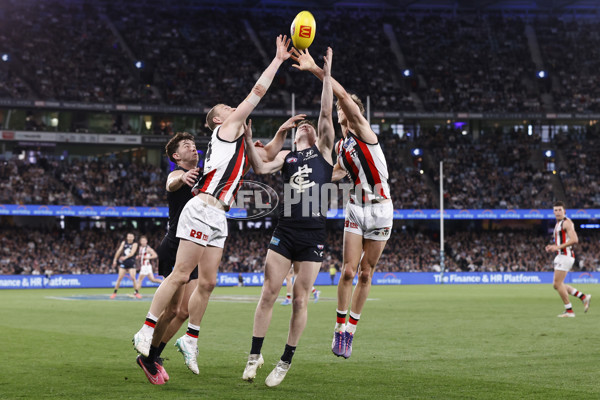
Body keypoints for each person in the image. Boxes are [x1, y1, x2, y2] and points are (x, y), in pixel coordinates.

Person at [133, 35, 294, 385]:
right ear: (220, 121)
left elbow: (265, 163)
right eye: (226, 109)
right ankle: (146, 331)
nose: (233, 109)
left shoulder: (237, 141)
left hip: (219, 214)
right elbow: (257, 92)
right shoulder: (228, 130)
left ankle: (190, 338)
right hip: (201, 209)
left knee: (208, 282)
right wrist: (278, 60)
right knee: (180, 275)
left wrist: (278, 134)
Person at [242, 47, 335, 387]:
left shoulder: (324, 150)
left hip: (313, 233)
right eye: (301, 130)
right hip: (286, 229)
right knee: (268, 292)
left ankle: (285, 361)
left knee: (300, 299)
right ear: (296, 137)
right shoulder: (288, 156)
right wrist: (251, 141)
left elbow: (326, 112)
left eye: (308, 128)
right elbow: (260, 166)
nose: (306, 129)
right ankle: (254, 356)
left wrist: (326, 71)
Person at [292, 47, 393, 359]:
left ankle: (352, 328)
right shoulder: (341, 145)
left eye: (343, 109)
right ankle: (339, 329)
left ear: (352, 112)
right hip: (356, 207)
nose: (340, 113)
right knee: (348, 271)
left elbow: (344, 95)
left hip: (381, 208)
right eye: (338, 112)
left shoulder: (364, 131)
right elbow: (336, 173)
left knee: (366, 273)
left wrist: (314, 69)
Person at [545, 201, 590, 317]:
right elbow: (561, 240)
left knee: (557, 283)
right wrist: (552, 247)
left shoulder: (567, 222)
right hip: (561, 255)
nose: (557, 212)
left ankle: (569, 311)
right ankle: (583, 297)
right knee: (557, 285)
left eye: (560, 210)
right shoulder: (558, 224)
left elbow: (575, 239)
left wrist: (557, 247)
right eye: (555, 210)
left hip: (566, 256)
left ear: (564, 211)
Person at [110, 233, 140, 299]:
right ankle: (114, 293)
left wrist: (124, 257)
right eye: (129, 236)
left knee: (133, 277)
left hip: (131, 262)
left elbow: (132, 253)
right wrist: (115, 259)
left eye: (131, 236)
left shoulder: (135, 244)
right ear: (127, 237)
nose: (130, 238)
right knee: (119, 278)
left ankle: (136, 292)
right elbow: (119, 251)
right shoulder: (124, 243)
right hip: (124, 263)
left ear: (133, 237)